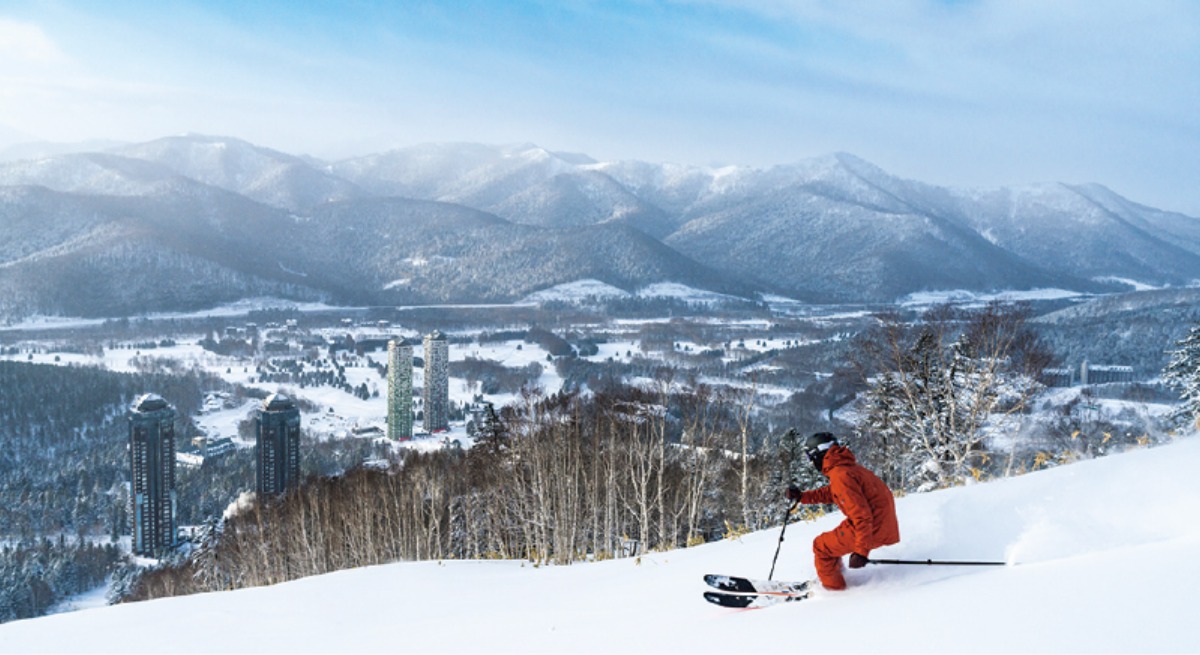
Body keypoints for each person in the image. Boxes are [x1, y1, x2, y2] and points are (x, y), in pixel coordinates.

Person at [785, 432, 899, 591]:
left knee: (821, 547)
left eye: (810, 457)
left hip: (871, 528)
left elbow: (862, 516)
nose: (811, 462)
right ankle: (836, 575)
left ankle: (834, 591)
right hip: (880, 524)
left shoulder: (841, 475)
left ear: (819, 454)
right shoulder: (847, 469)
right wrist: (803, 497)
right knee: (830, 543)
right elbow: (834, 492)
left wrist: (861, 552)